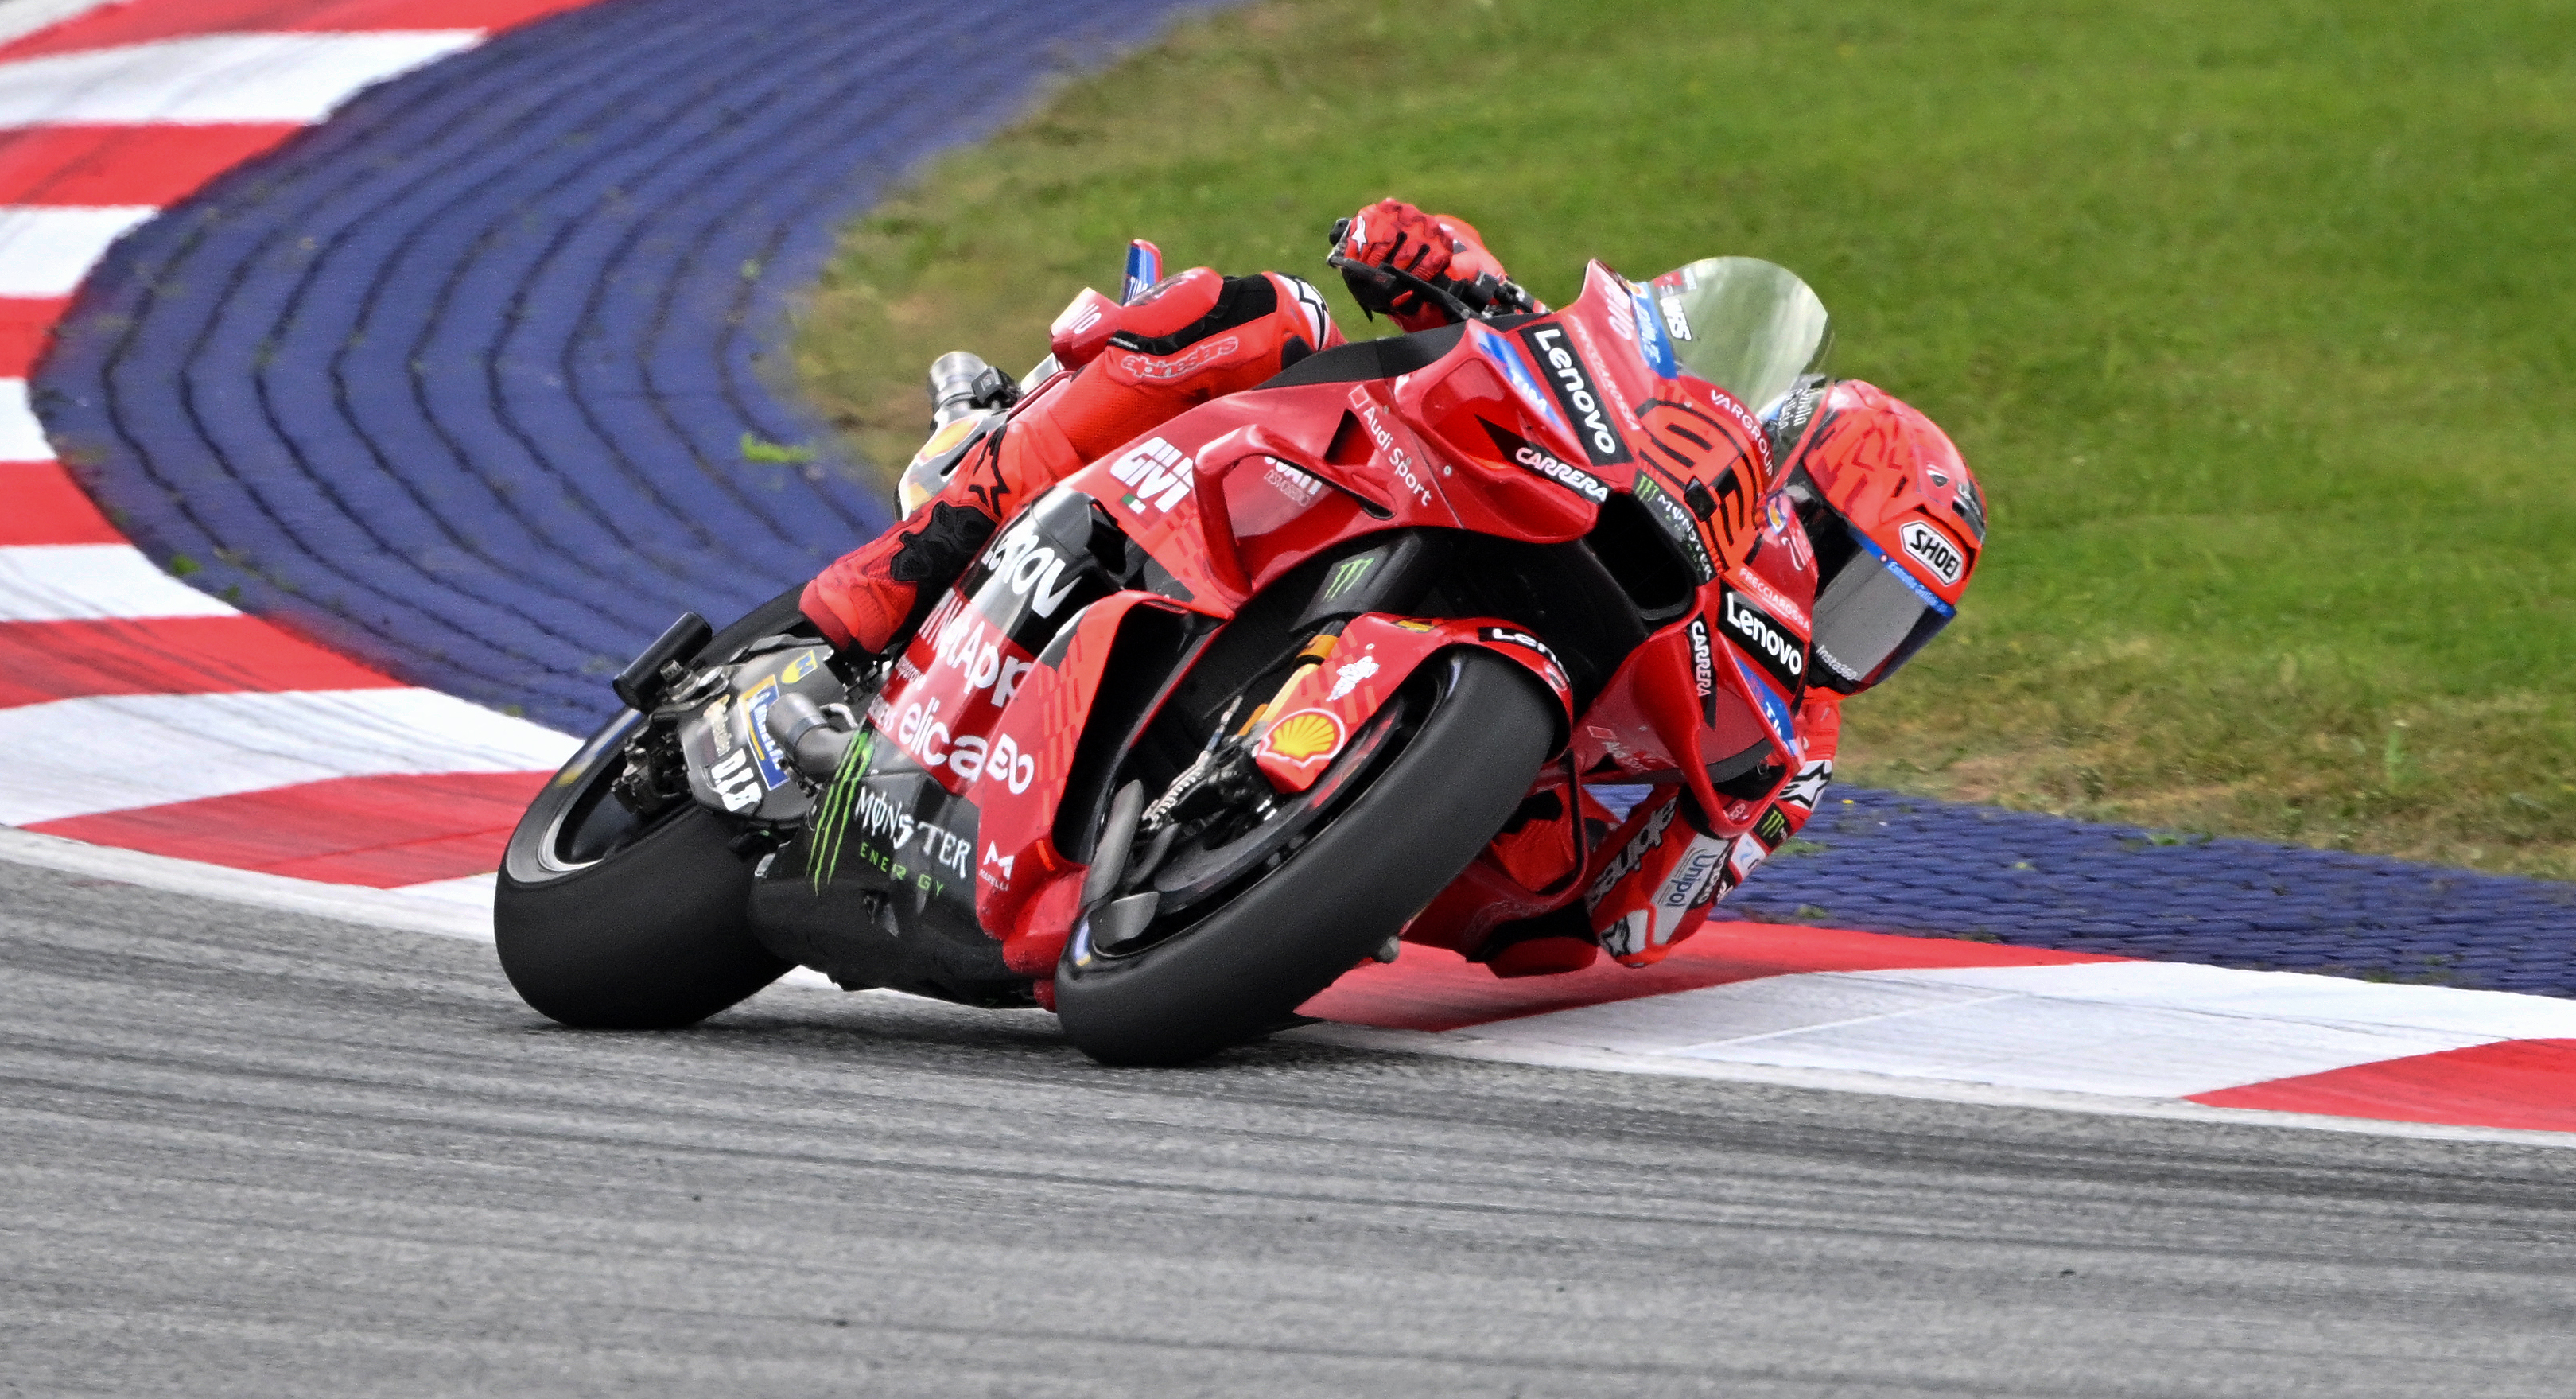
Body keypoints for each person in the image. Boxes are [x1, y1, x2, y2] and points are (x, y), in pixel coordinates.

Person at [798, 196, 1984, 972]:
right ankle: (904, 569)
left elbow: (1629, 921)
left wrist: (1556, 820)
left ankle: (1249, 838)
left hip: (1448, 806)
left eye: (1888, 623)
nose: (1842, 629)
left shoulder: (1791, 742)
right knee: (1264, 314)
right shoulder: (1673, 456)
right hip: (1353, 506)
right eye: (1844, 574)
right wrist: (1438, 263)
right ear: (1781, 480)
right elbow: (1534, 351)